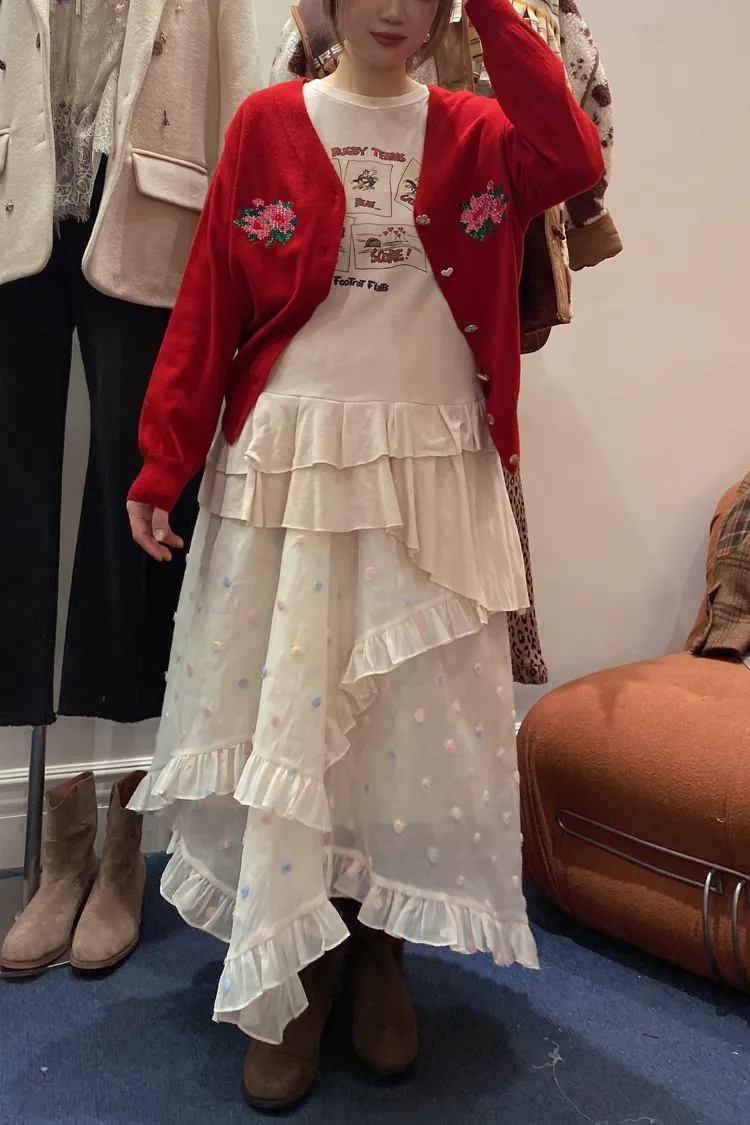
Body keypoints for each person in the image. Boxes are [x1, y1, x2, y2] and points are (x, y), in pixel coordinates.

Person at [126, 0, 603, 1112]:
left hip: (431, 465)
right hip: (294, 463)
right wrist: (163, 460)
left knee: (404, 723)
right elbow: (211, 296)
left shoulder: (482, 130)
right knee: (295, 716)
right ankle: (298, 957)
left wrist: (493, 12)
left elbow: (574, 157)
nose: (395, 9)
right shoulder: (266, 122)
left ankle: (380, 944)